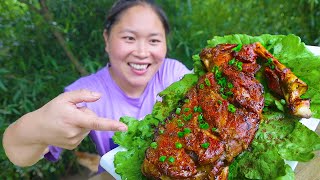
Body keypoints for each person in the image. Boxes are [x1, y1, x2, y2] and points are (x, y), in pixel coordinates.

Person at [3, 0, 191, 174]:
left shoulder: (173, 73)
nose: (142, 52)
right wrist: (37, 127)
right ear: (107, 39)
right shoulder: (86, 95)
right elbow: (17, 153)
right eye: (129, 38)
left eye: (154, 41)